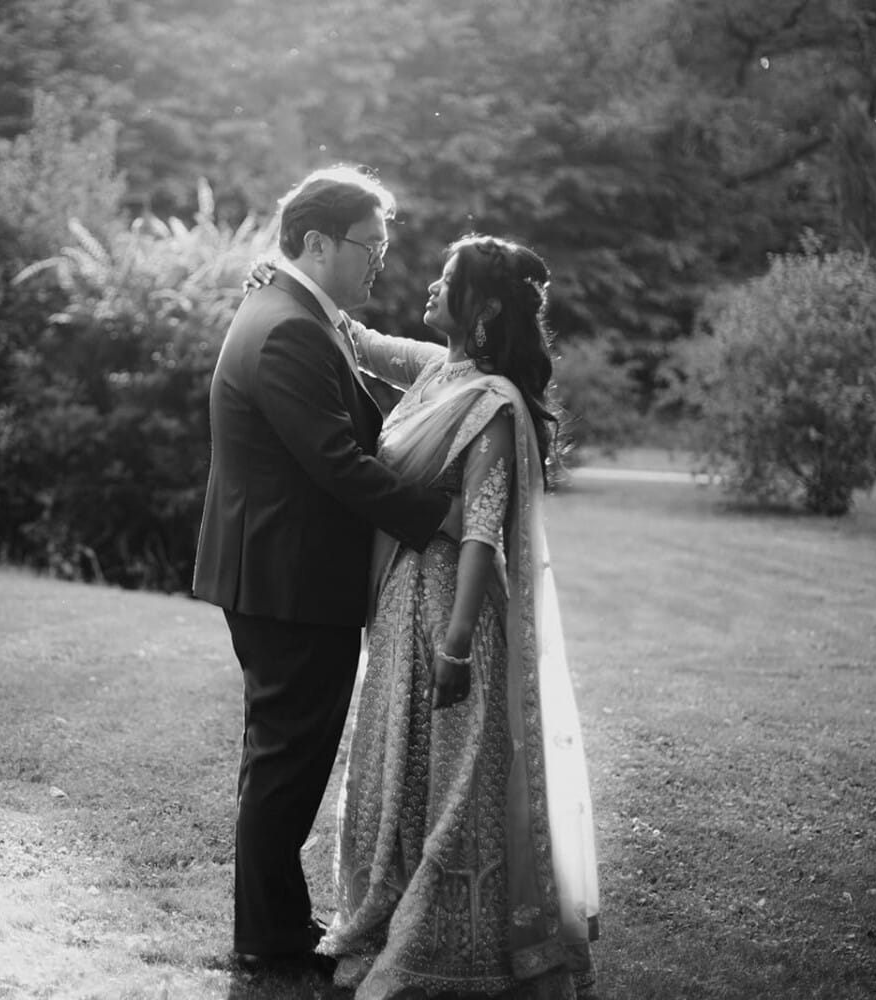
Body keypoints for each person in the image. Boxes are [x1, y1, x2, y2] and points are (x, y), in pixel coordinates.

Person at [314, 235, 601, 998]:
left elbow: (479, 531)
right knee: (391, 761)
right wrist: (288, 281)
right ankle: (381, 902)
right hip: (398, 598)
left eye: (449, 281)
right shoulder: (439, 371)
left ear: (484, 310)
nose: (432, 288)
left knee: (449, 776)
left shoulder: (494, 405)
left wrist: (458, 644)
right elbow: (361, 342)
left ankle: (451, 936)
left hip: (450, 608)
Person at [192, 166, 452, 973]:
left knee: (281, 755)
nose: (379, 260)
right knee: (287, 760)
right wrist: (438, 517)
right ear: (316, 242)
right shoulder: (290, 326)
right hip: (290, 581)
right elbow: (336, 461)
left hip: (280, 573)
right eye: (369, 245)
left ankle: (273, 926)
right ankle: (268, 941)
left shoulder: (297, 309)